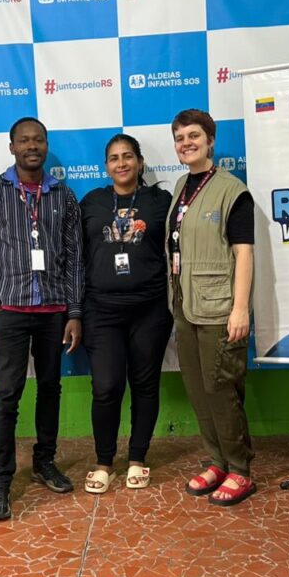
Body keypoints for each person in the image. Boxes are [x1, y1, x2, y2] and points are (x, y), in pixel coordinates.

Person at [0, 117, 85, 521]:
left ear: (46, 145)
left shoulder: (63, 196)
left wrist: (74, 312)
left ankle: (44, 461)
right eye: (24, 140)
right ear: (12, 147)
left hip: (53, 312)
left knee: (50, 389)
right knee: (7, 394)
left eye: (38, 140)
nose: (31, 146)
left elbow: (75, 259)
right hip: (11, 311)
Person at [168, 109, 257, 507]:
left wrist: (240, 309)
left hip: (220, 308)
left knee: (221, 390)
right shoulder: (181, 187)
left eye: (193, 136)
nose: (186, 143)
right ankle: (217, 461)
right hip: (185, 306)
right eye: (179, 137)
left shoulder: (232, 190)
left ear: (210, 141)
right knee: (198, 389)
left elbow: (244, 253)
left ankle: (239, 469)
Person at [79, 134, 173, 493]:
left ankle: (137, 458)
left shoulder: (160, 202)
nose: (122, 163)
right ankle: (104, 462)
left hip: (150, 309)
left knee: (145, 385)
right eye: (114, 158)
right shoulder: (92, 202)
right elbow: (76, 256)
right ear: (106, 166)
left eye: (128, 156)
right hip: (101, 311)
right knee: (106, 387)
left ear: (140, 162)